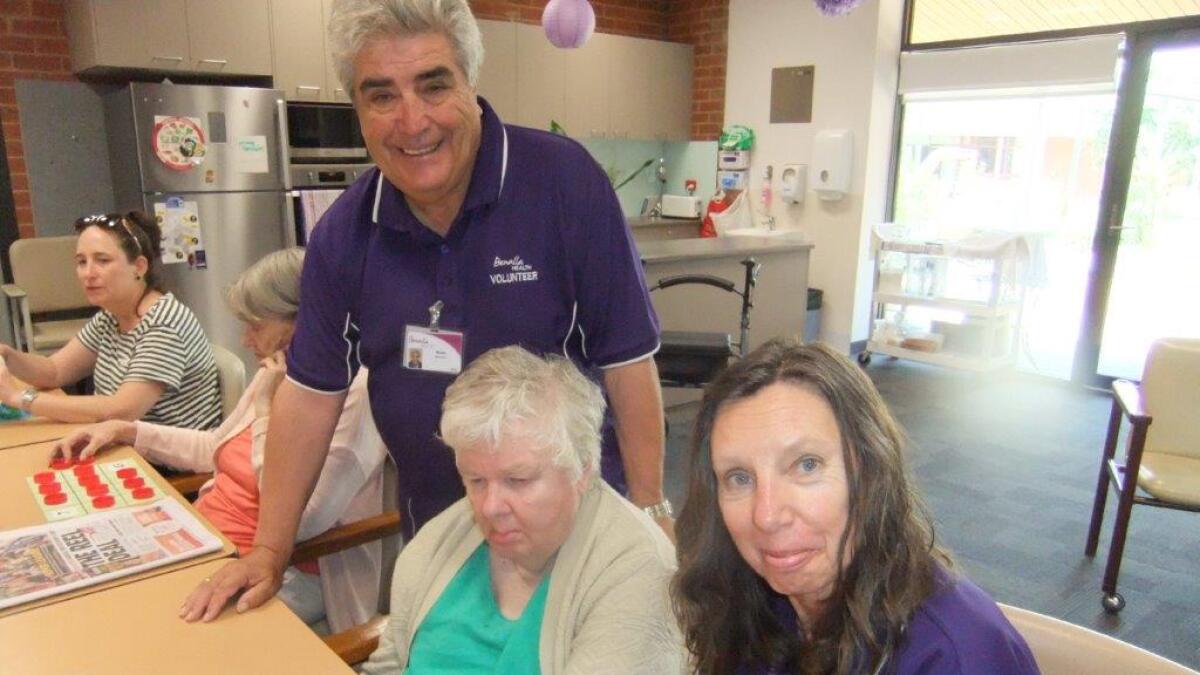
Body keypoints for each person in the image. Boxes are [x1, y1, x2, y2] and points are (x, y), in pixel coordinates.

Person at [184, 0, 669, 620]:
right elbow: (309, 397)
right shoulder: (343, 235)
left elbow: (628, 361)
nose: (412, 121)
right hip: (441, 543)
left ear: (471, 84)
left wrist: (651, 514)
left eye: (433, 85)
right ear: (357, 110)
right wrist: (269, 549)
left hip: (577, 536)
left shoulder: (563, 183)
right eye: (381, 96)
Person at [53, 248, 387, 633]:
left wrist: (267, 414)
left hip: (282, 569)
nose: (245, 339)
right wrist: (129, 431)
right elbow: (216, 448)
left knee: (146, 630)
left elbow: (302, 520)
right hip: (206, 540)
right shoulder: (282, 368)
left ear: (303, 320)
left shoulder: (358, 391)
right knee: (96, 597)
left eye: (256, 325)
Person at [672, 339, 1039, 674]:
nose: (766, 516)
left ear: (871, 471)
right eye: (739, 477)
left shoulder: (956, 655)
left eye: (806, 465)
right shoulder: (755, 602)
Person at [361, 346, 681, 674]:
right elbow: (390, 666)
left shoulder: (637, 569)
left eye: (517, 480)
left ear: (582, 469)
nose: (490, 507)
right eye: (475, 480)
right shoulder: (436, 544)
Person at [0, 211, 220, 429]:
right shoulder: (111, 315)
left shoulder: (164, 324)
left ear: (139, 267)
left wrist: (17, 397)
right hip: (120, 441)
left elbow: (122, 410)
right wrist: (7, 355)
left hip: (162, 462)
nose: (88, 273)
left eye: (102, 260)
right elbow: (54, 370)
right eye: (81, 262)